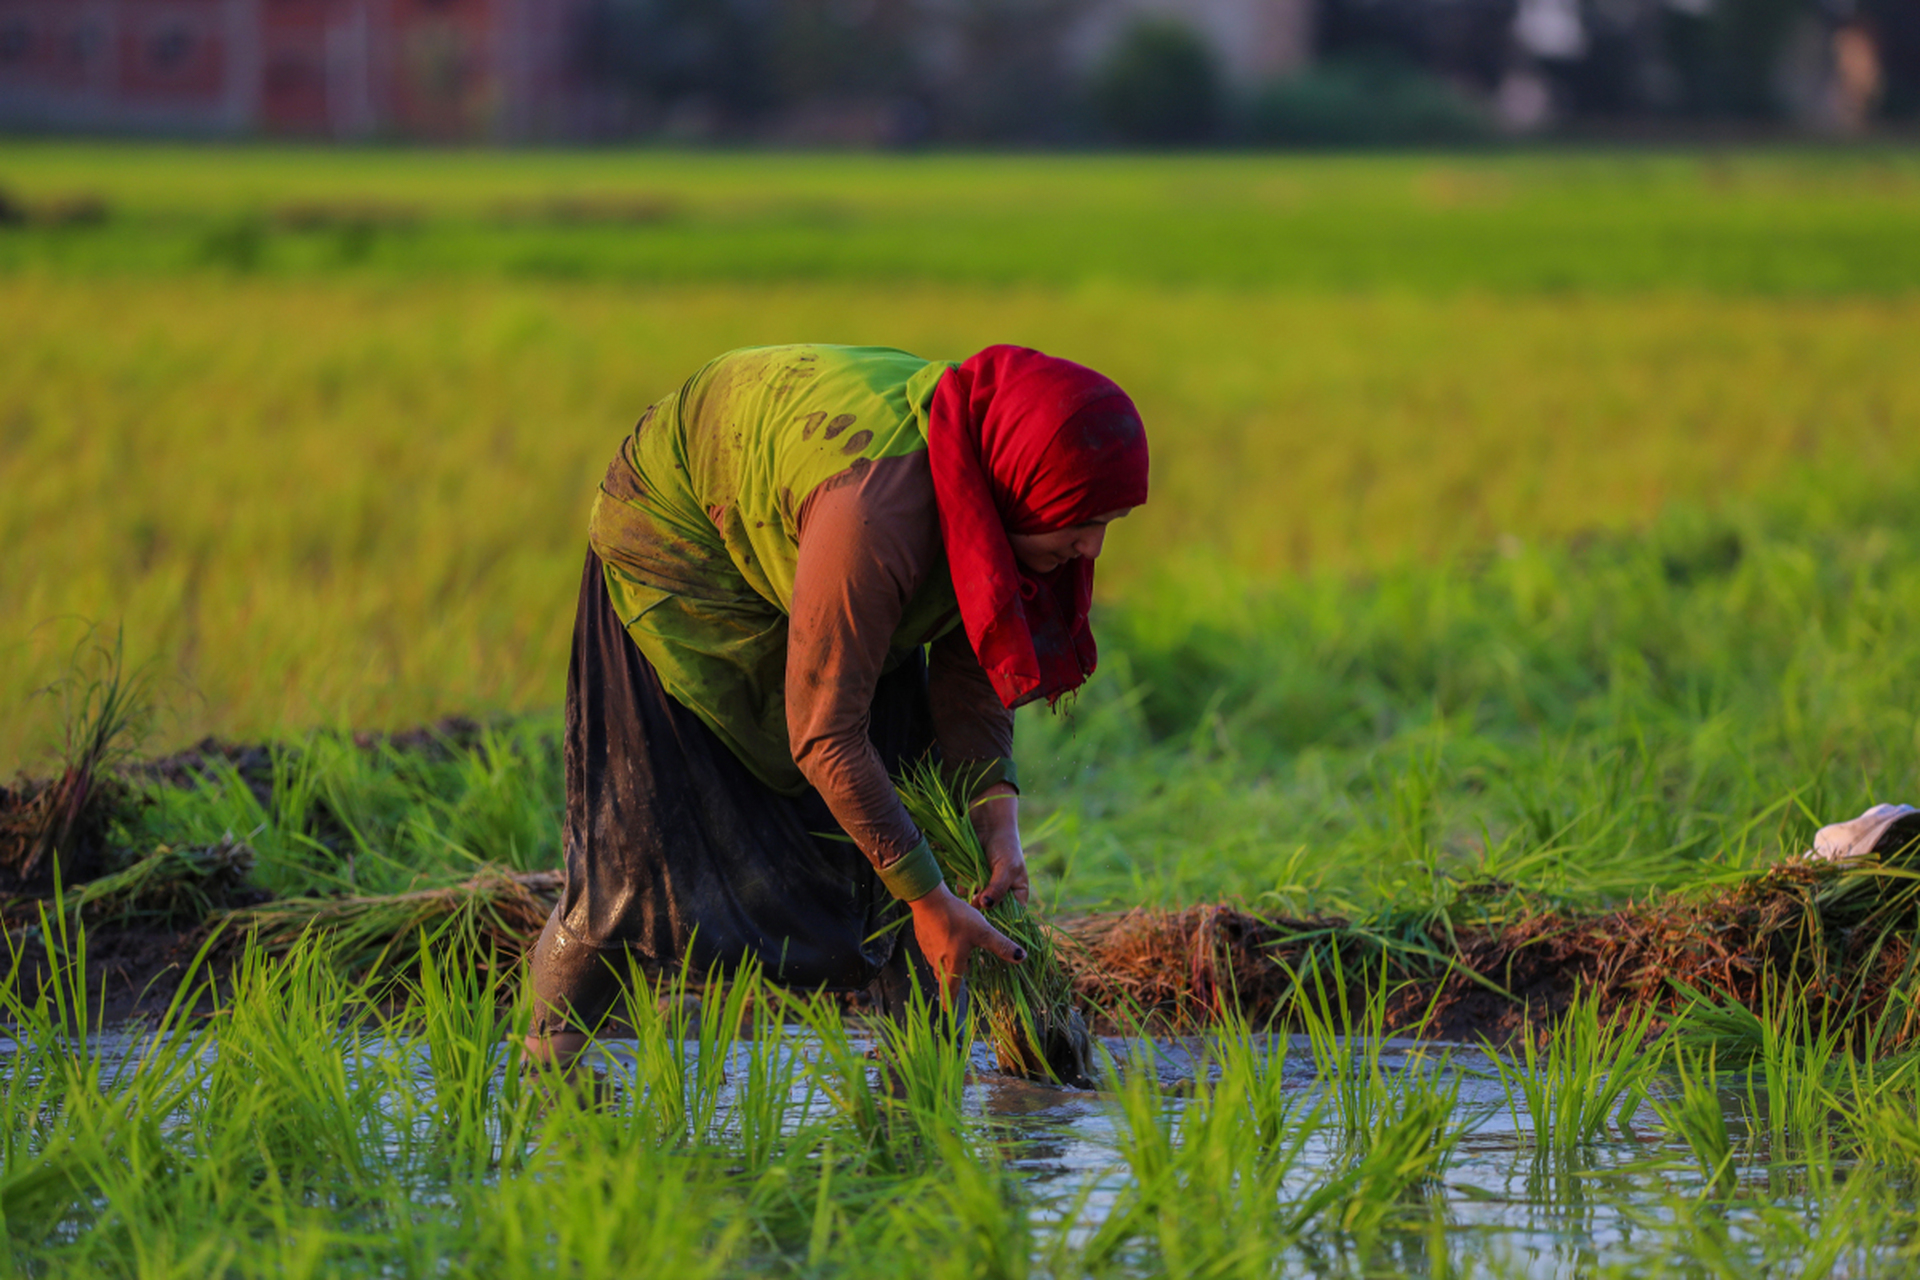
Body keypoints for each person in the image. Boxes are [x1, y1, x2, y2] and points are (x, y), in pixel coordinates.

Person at [524, 342, 1148, 1067]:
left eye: (1110, 522)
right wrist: (926, 896)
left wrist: (995, 816)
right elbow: (825, 735)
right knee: (632, 863)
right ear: (1018, 481)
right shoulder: (874, 518)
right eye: (1077, 517)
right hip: (681, 551)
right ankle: (546, 1073)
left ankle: (921, 1085)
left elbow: (973, 653)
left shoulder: (983, 485)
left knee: (920, 827)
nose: (1091, 546)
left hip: (812, 535)